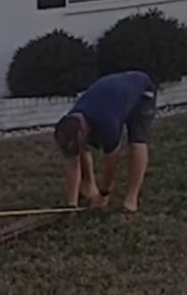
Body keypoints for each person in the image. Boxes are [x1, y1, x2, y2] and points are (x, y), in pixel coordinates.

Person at [53, 70, 157, 214]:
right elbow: (72, 163)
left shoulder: (107, 124)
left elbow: (112, 162)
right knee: (79, 146)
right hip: (113, 95)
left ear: (86, 130)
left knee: (136, 141)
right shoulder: (71, 121)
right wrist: (72, 205)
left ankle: (131, 200)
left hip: (142, 91)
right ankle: (89, 185)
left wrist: (103, 195)